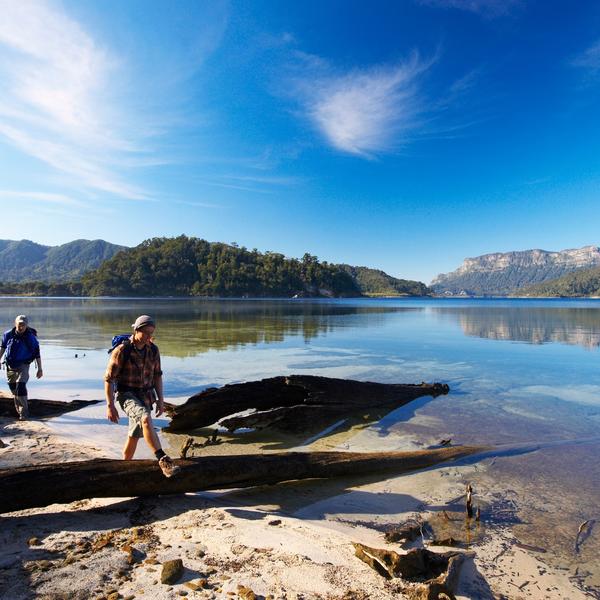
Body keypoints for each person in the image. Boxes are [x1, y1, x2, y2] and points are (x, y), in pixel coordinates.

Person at [104, 315, 180, 478]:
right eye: (145, 333)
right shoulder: (122, 351)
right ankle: (163, 459)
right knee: (145, 419)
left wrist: (160, 400)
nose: (148, 337)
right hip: (127, 395)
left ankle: (123, 468)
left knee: (134, 435)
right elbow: (109, 380)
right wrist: (110, 405)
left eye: (151, 333)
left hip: (146, 396)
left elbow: (157, 376)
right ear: (136, 330)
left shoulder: (153, 350)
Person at [0, 315, 43, 420]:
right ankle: (19, 410)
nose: (21, 327)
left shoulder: (30, 337)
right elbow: (3, 348)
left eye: (23, 324)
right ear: (15, 324)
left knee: (21, 386)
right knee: (13, 389)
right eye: (20, 324)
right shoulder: (8, 334)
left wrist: (40, 368)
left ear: (26, 325)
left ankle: (24, 414)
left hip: (23, 365)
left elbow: (37, 353)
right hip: (10, 365)